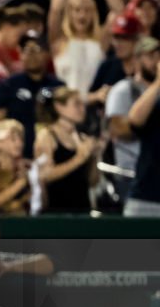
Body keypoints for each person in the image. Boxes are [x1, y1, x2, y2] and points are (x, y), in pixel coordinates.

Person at [0, 31, 65, 159]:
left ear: (47, 53)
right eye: (26, 50)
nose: (31, 54)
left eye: (37, 49)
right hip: (17, 155)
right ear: (20, 54)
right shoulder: (8, 85)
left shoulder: (58, 86)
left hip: (53, 153)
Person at [106, 36, 156, 204]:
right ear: (136, 60)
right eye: (150, 56)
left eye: (159, 56)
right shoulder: (123, 89)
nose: (156, 62)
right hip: (129, 174)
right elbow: (117, 128)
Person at [34, 86, 98, 214]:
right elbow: (45, 175)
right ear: (59, 107)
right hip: (56, 211)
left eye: (82, 104)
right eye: (76, 104)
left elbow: (92, 181)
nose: (82, 109)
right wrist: (78, 159)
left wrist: (95, 156)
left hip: (82, 210)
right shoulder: (47, 136)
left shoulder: (83, 138)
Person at [125, 37, 160, 216]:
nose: (156, 61)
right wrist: (159, 82)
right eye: (151, 56)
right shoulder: (128, 88)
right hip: (147, 193)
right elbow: (134, 120)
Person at [0, 119, 31, 216]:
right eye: (13, 139)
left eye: (21, 139)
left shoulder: (26, 167)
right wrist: (21, 182)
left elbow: (40, 203)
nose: (19, 143)